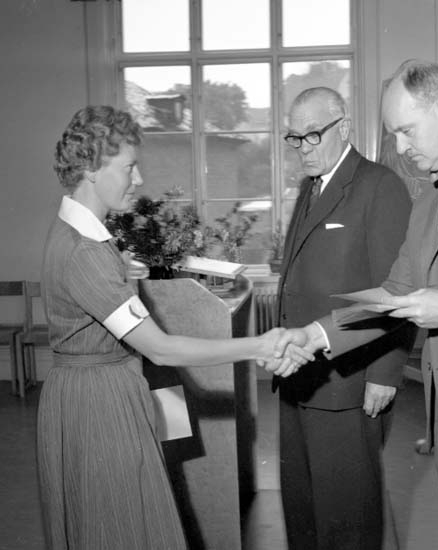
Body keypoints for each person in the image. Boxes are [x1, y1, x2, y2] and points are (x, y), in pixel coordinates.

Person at [277, 60, 438, 550]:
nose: (399, 148)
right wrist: (315, 335)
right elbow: (392, 293)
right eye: (393, 134)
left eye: (406, 131)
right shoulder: (429, 199)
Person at [37, 105, 312, 550]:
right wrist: (258, 345)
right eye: (128, 166)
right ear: (91, 168)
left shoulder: (80, 237)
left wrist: (118, 273)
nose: (139, 178)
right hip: (99, 401)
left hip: (91, 390)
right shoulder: (85, 253)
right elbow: (161, 349)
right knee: (120, 525)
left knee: (110, 523)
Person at [275, 87, 413, 550]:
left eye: (312, 135)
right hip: (298, 374)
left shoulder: (379, 186)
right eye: (294, 138)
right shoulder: (310, 186)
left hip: (349, 379)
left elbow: (395, 289)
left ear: (345, 128)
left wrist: (385, 374)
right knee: (302, 508)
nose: (302, 148)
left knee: (347, 515)